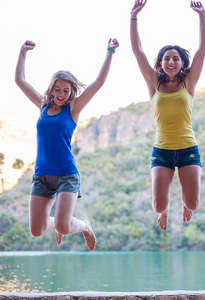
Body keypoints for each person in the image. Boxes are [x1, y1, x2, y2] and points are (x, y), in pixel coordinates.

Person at [15, 38, 119, 251]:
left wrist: (110, 52)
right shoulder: (43, 105)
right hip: (41, 176)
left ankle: (84, 226)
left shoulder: (73, 109)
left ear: (71, 92)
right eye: (58, 89)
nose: (61, 94)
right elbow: (20, 80)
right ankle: (60, 222)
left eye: (66, 91)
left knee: (64, 225)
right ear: (52, 89)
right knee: (36, 229)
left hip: (66, 175)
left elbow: (98, 83)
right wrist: (23, 52)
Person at [130, 0, 205, 231]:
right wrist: (134, 16)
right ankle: (165, 210)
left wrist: (202, 15)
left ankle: (185, 203)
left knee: (192, 203)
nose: (171, 62)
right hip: (162, 151)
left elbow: (203, 48)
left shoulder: (189, 82)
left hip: (187, 149)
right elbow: (137, 50)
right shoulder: (154, 83)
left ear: (182, 62)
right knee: (157, 206)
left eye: (175, 58)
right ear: (161, 63)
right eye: (166, 58)